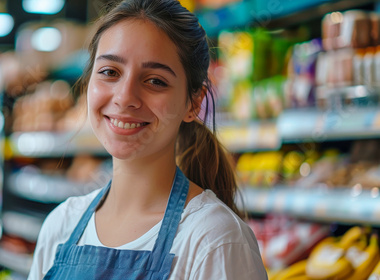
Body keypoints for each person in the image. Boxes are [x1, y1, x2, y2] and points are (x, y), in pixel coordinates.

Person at [28, 0, 267, 279]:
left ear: (193, 103)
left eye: (155, 80)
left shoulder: (213, 241)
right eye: (110, 72)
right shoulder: (60, 225)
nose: (125, 97)